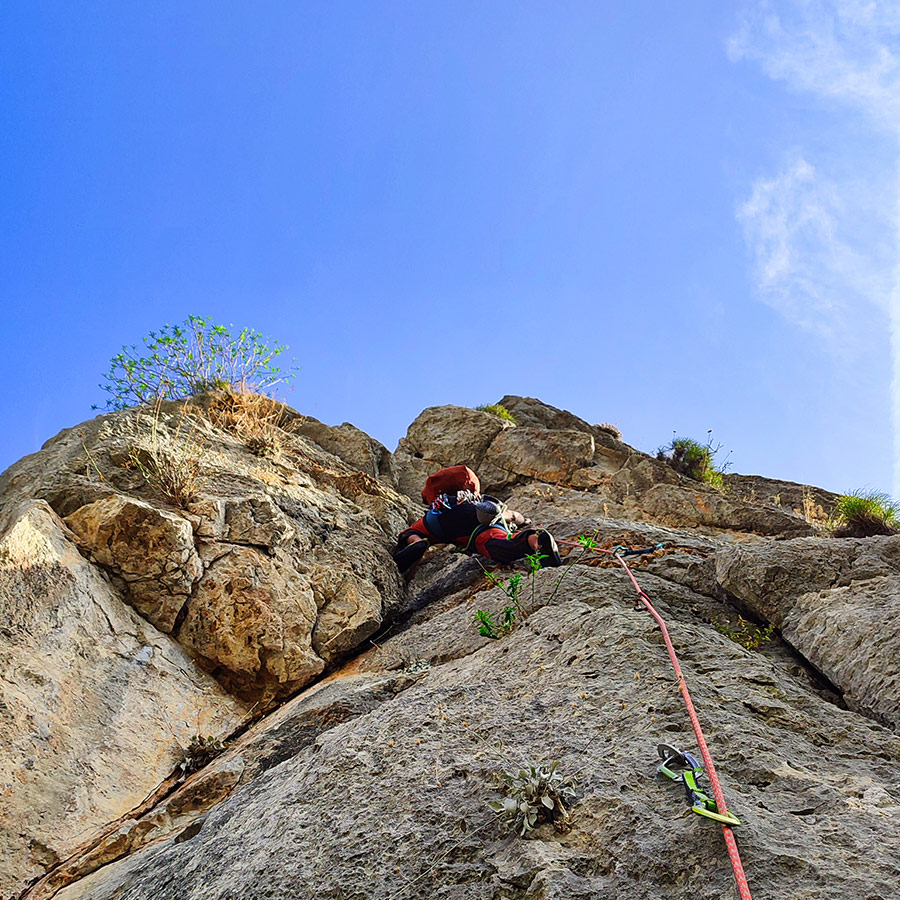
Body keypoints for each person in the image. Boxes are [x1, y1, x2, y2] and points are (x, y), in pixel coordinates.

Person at [393, 470, 563, 576]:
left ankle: (415, 542)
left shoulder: (443, 502)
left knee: (415, 531)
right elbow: (511, 515)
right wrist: (524, 520)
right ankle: (534, 541)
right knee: (497, 542)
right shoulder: (483, 502)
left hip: (437, 519)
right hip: (478, 522)